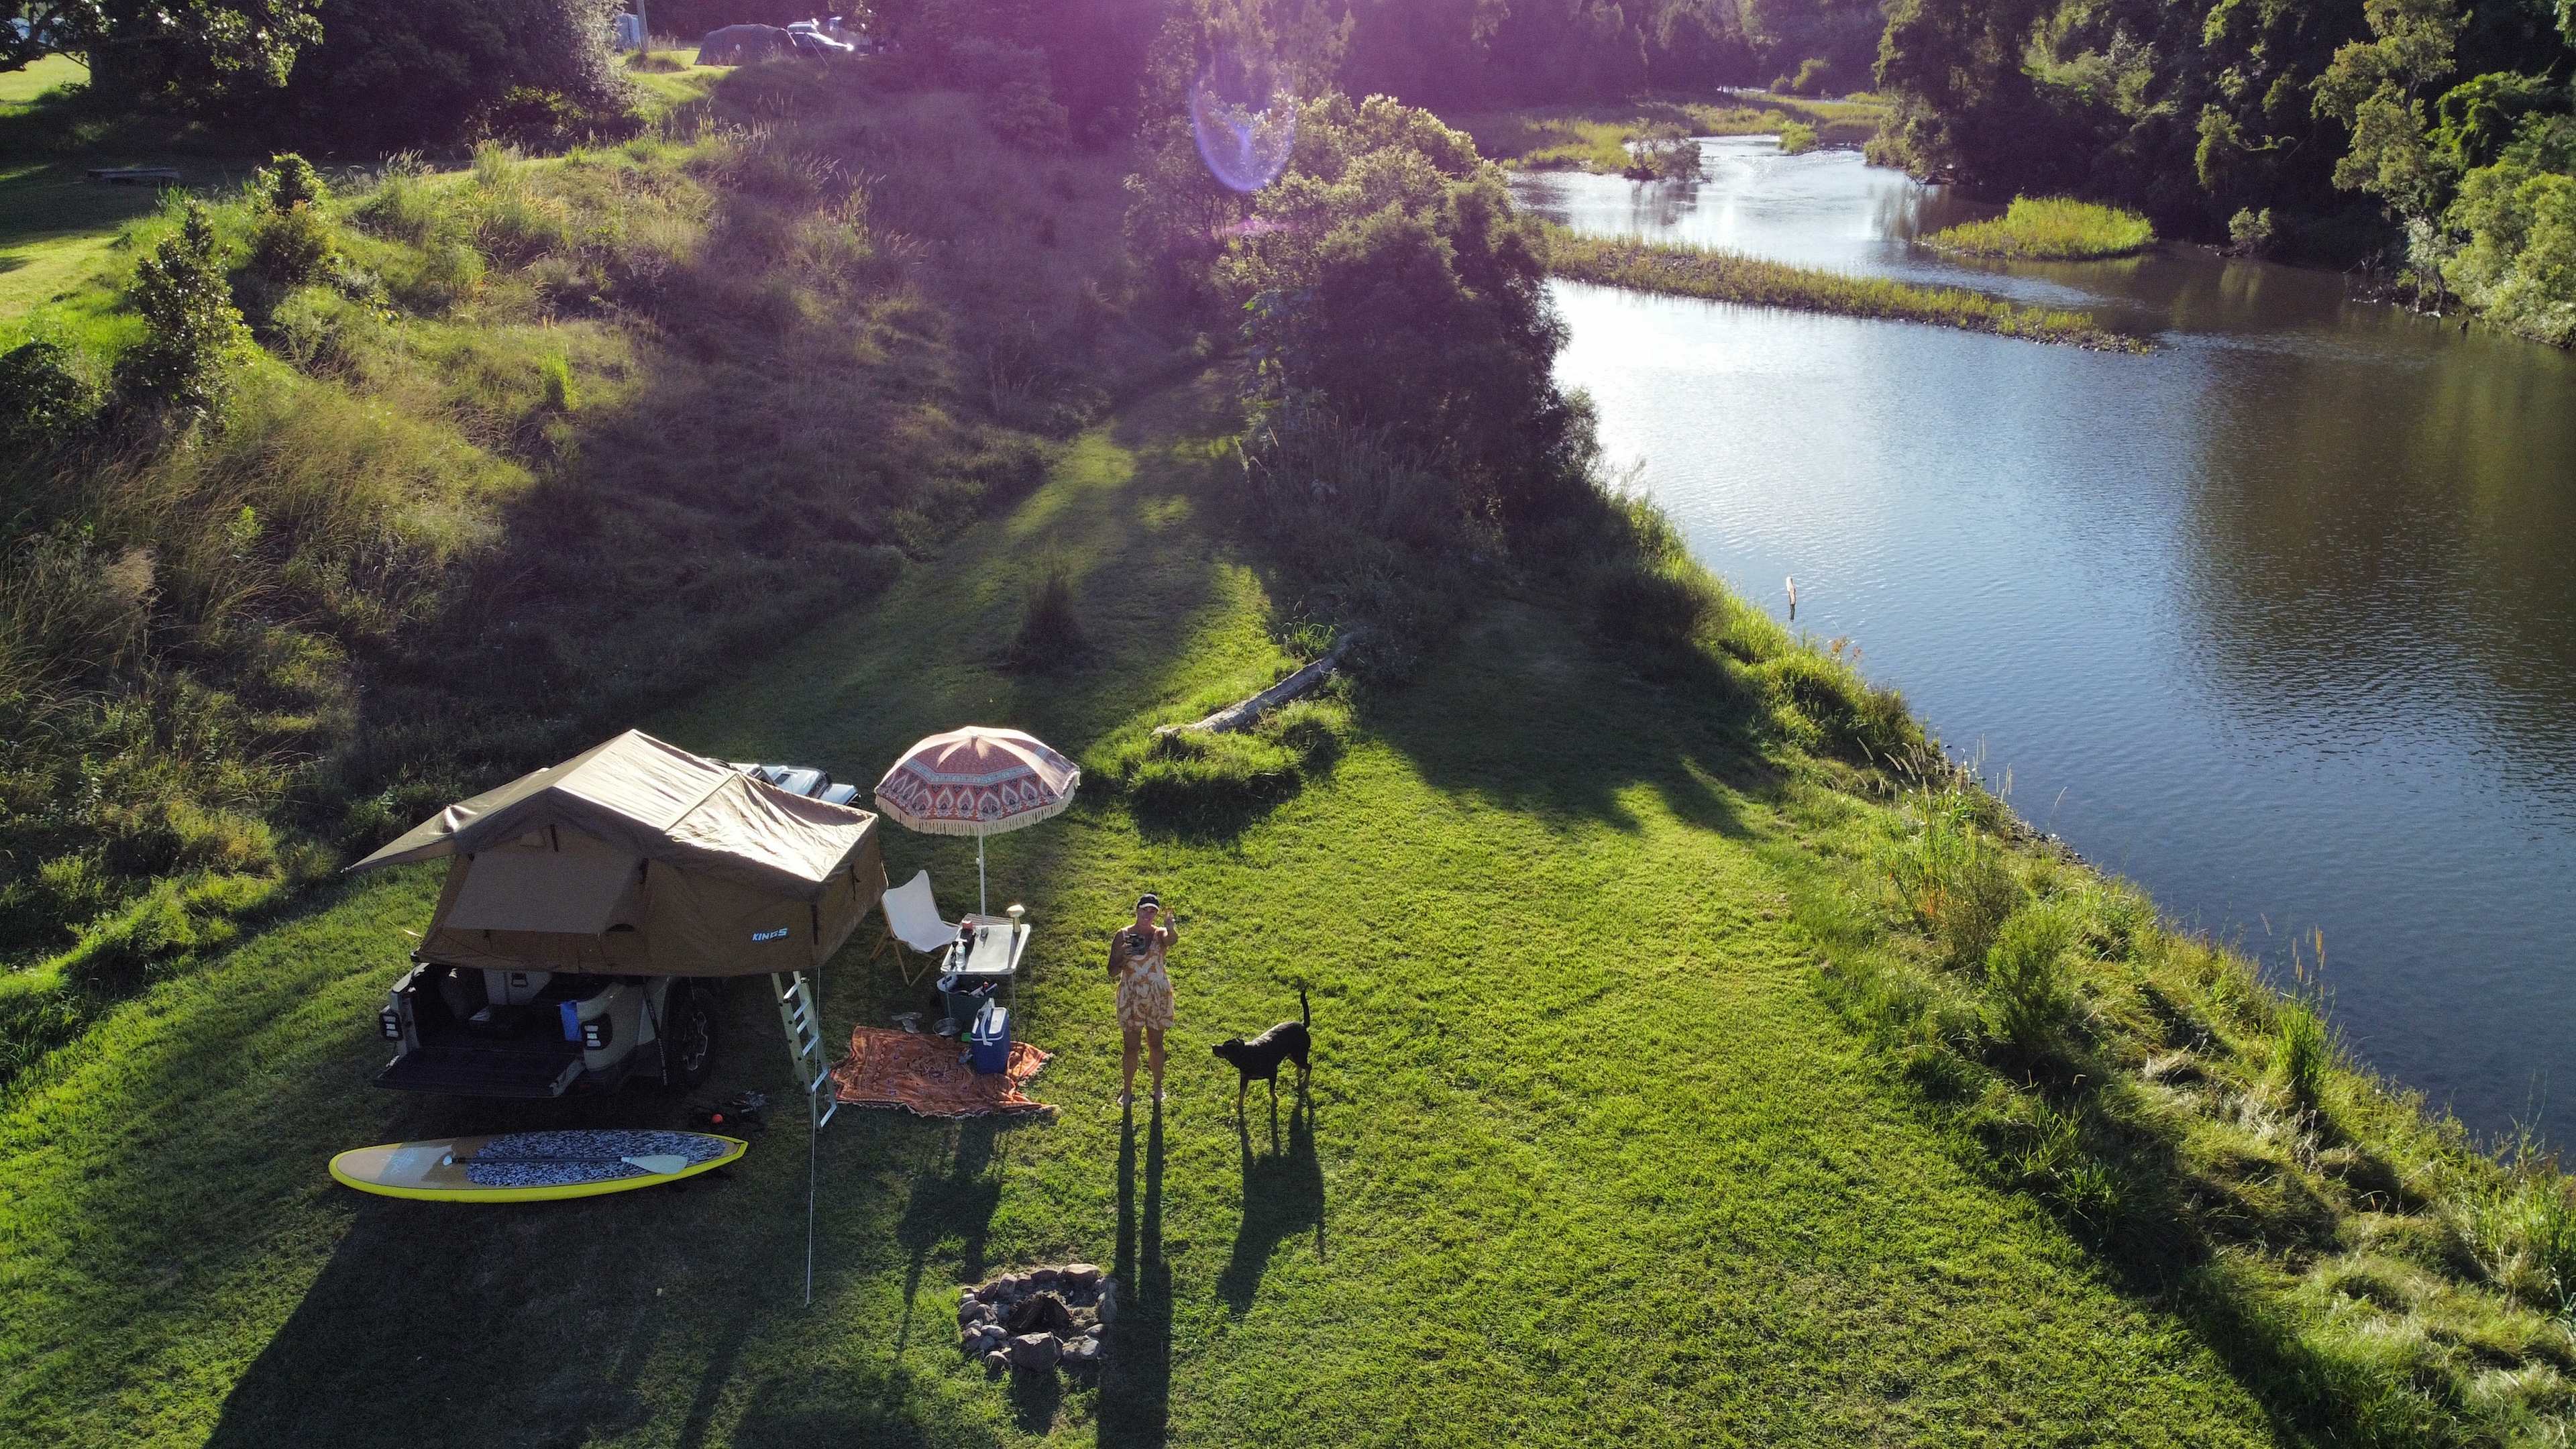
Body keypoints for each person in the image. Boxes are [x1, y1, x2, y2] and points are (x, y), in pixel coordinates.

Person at [1108, 892, 1177, 1110]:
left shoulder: (1159, 934)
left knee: (1156, 1044)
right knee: (1131, 1047)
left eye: (1152, 911)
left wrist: (1171, 927)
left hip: (1157, 996)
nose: (1148, 914)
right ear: (1137, 910)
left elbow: (1171, 940)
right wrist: (1124, 958)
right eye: (1144, 909)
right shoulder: (1124, 935)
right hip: (1132, 997)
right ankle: (1127, 1090)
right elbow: (1111, 971)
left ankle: (1158, 1087)